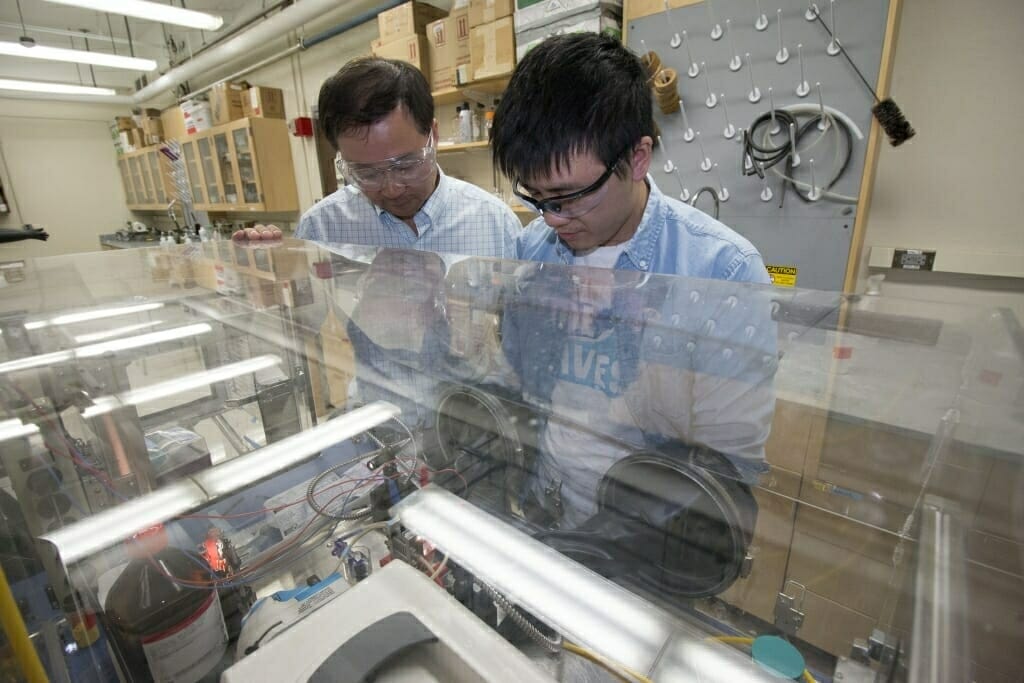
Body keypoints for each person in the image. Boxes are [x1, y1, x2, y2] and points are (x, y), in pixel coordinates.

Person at [491, 33, 777, 529]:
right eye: (536, 198)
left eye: (569, 196)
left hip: (647, 540)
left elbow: (728, 467)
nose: (553, 219)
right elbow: (520, 386)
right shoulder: (534, 250)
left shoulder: (720, 271)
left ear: (638, 158)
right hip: (543, 506)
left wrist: (623, 544)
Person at [235, 56, 520, 258]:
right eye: (366, 173)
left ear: (432, 135)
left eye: (406, 165)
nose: (392, 188)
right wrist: (270, 264)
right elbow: (307, 326)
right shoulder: (322, 228)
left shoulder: (495, 223)